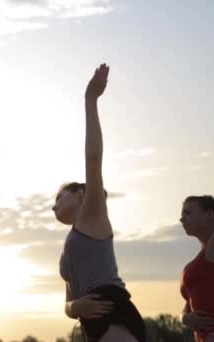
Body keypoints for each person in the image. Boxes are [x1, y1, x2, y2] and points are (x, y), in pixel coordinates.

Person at [52, 64, 145, 342]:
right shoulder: (69, 248)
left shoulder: (92, 216)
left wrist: (90, 100)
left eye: (60, 196)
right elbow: (69, 301)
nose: (54, 205)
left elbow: (93, 160)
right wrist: (74, 308)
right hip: (91, 322)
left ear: (82, 194)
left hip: (111, 309)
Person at [180, 195, 214, 342]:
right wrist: (185, 318)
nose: (182, 219)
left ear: (210, 214)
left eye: (188, 213)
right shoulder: (195, 263)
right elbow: (189, 305)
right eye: (182, 215)